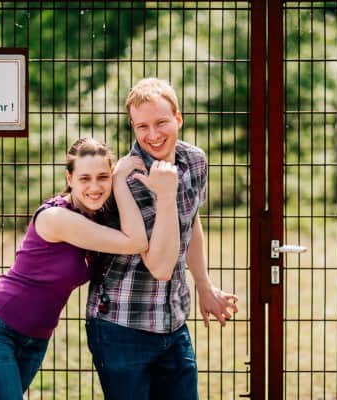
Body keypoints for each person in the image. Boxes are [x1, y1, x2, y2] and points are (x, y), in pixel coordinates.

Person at [0, 137, 179, 400]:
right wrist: (120, 181)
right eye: (85, 178)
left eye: (103, 177)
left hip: (35, 339)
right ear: (70, 178)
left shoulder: (95, 216)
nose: (95, 187)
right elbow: (136, 241)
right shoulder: (57, 218)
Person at [85, 78, 239, 400]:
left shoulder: (195, 160)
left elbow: (190, 221)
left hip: (173, 321)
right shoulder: (126, 178)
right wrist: (166, 195)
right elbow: (161, 266)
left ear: (178, 118)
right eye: (142, 126)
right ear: (132, 127)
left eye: (161, 123)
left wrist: (204, 285)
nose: (152, 135)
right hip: (122, 323)